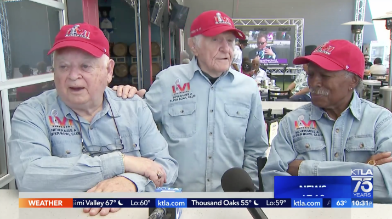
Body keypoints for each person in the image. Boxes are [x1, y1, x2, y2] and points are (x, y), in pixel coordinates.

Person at [8, 23, 178, 216]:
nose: (72, 76)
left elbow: (166, 168)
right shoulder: (32, 113)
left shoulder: (134, 107)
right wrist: (122, 163)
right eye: (63, 66)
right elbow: (30, 178)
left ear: (108, 70)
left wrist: (130, 182)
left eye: (85, 66)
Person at [114, 10, 268, 192]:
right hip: (176, 201)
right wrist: (128, 101)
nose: (226, 48)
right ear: (194, 46)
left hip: (229, 202)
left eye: (230, 41)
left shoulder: (248, 88)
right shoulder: (168, 81)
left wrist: (247, 193)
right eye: (216, 39)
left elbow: (255, 148)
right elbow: (136, 129)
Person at [261, 39, 392, 202]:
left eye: (325, 75)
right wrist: (365, 170)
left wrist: (303, 169)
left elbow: (389, 188)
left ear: (353, 80)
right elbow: (273, 184)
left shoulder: (380, 121)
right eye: (311, 74)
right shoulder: (291, 123)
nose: (314, 83)